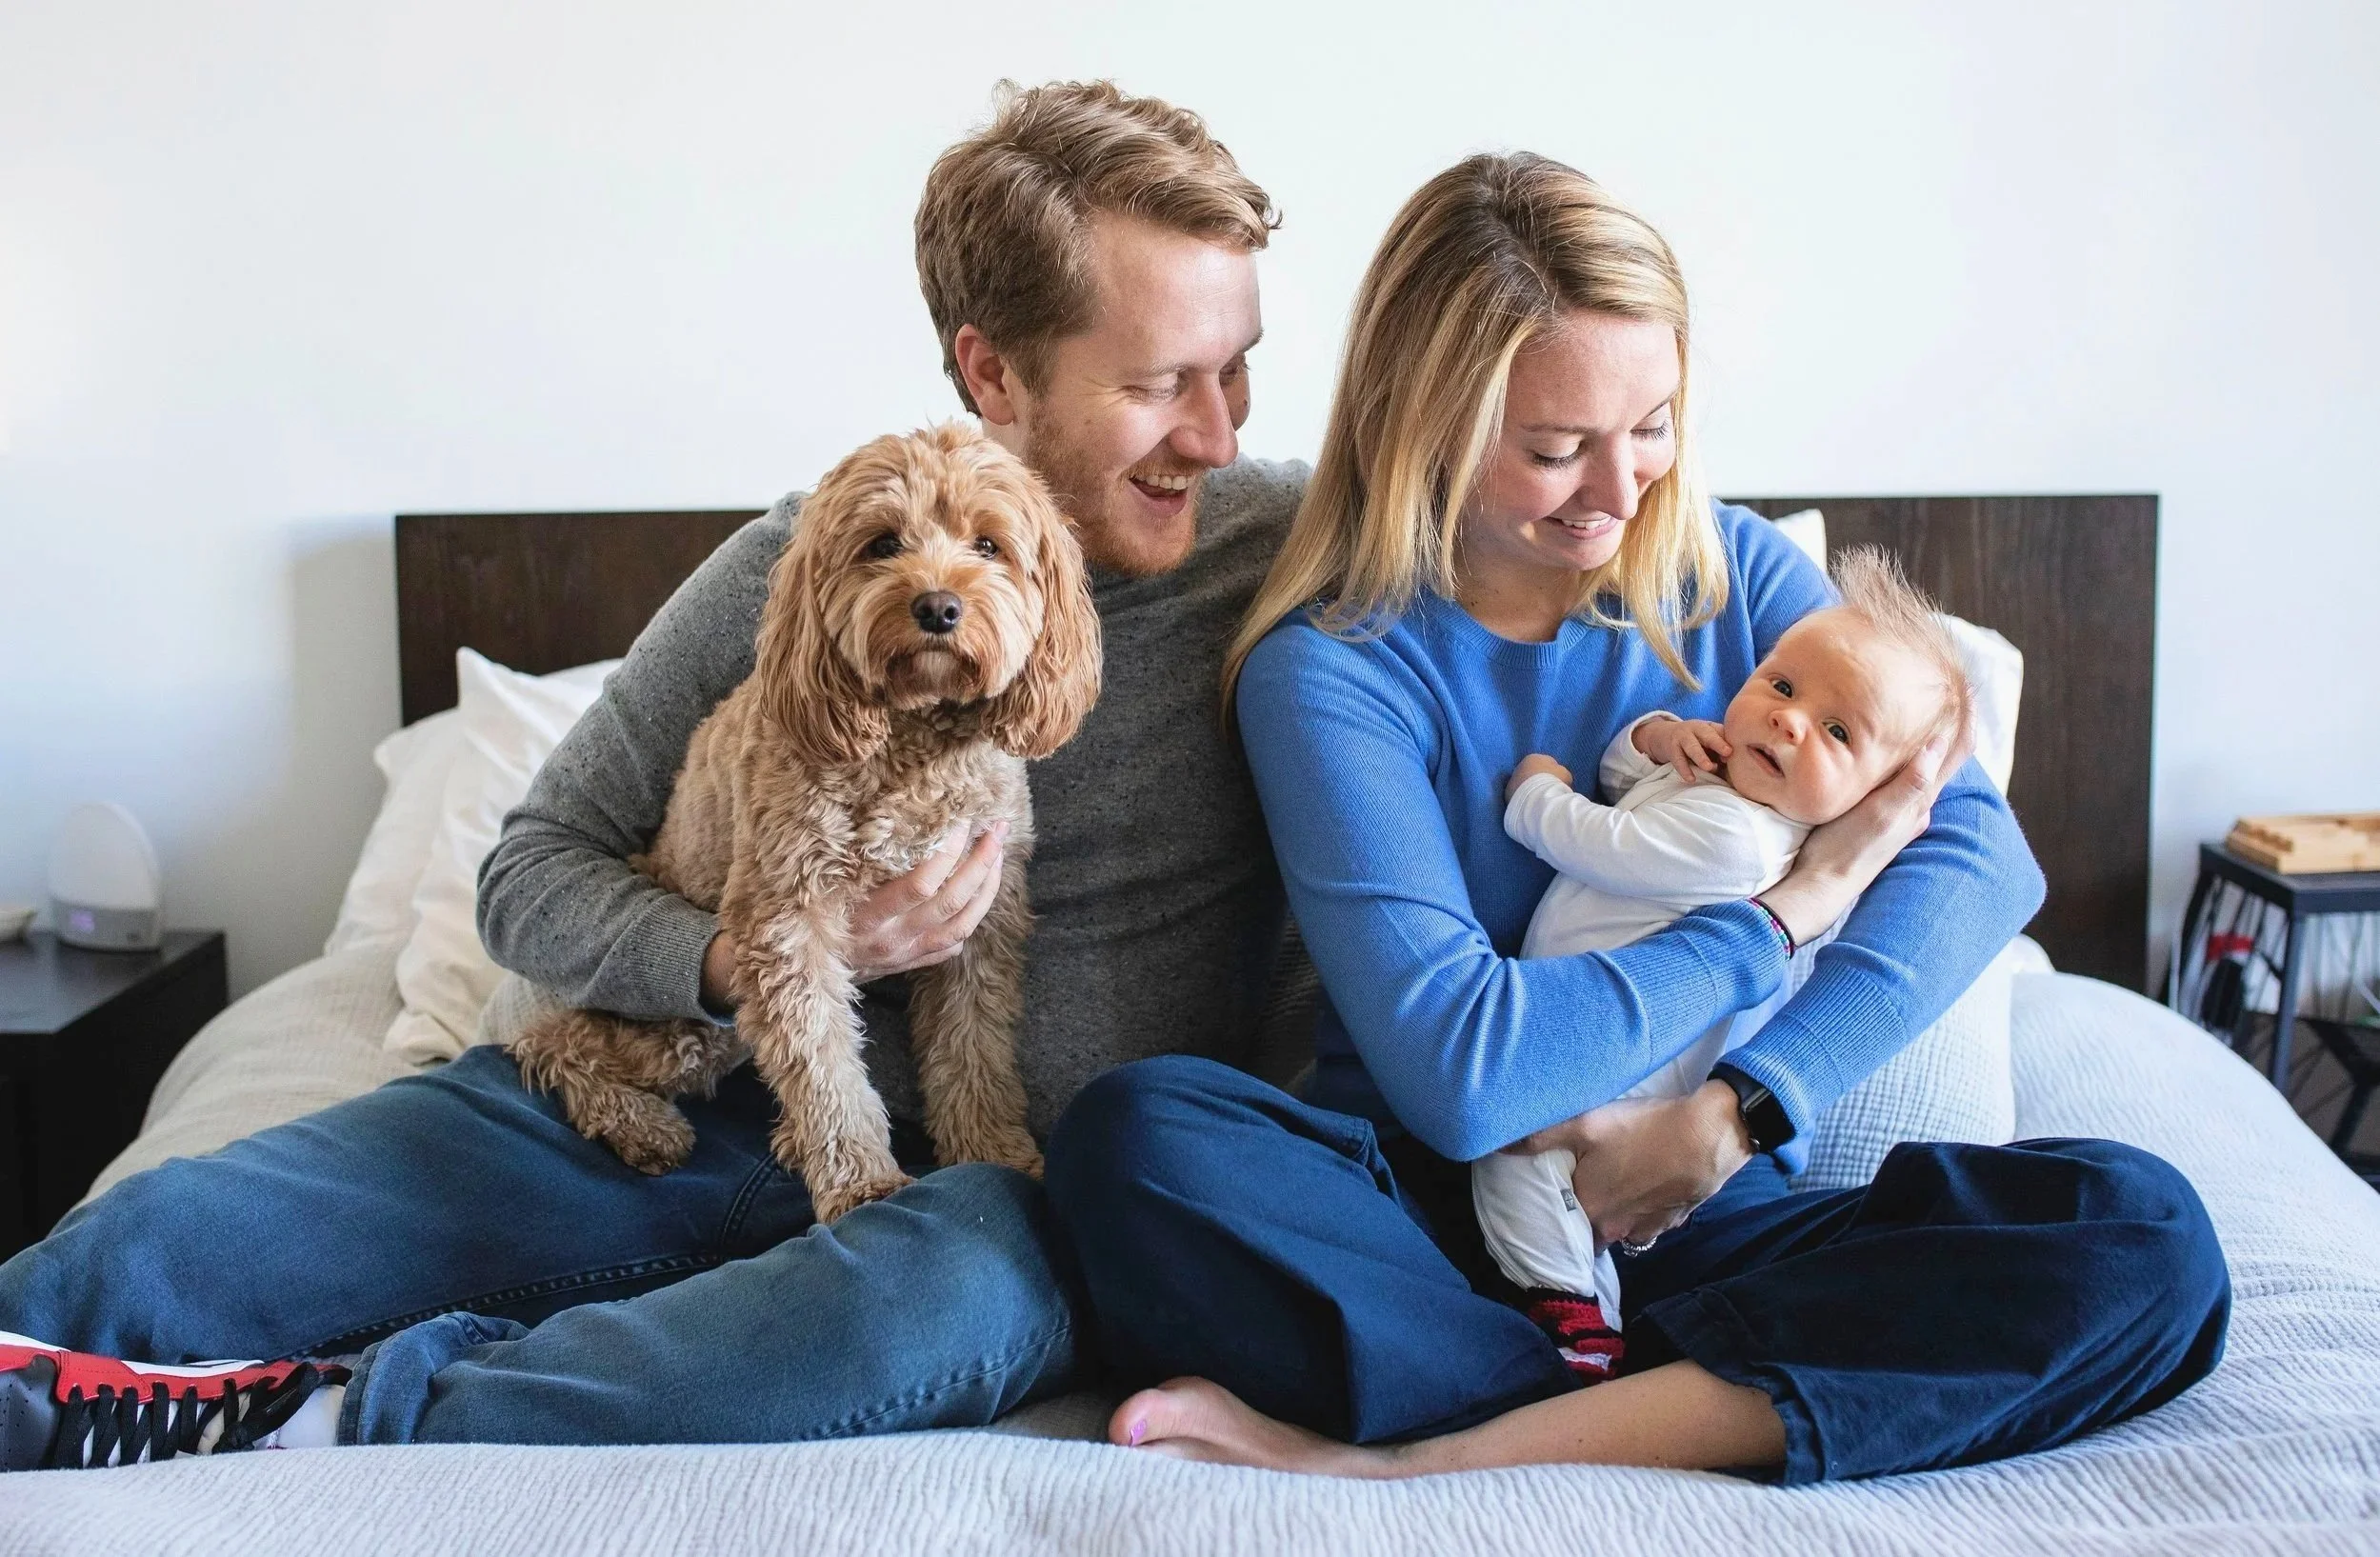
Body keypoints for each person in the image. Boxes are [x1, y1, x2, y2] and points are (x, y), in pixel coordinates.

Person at [0, 78, 1304, 1468]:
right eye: (1162, 383)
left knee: (945, 1305)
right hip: (675, 1096)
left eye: (1238, 369)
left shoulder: (1286, 550)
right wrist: (755, 960)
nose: (1216, 434)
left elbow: (1548, 528)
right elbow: (527, 874)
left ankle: (335, 1415)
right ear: (991, 374)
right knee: (136, 1251)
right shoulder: (798, 569)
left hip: (968, 1198)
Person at [1042, 151, 2230, 1483]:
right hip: (1429, 1217)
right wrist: (1788, 912)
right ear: (1425, 421)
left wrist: (1735, 1113)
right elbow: (1461, 1069)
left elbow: (1971, 851)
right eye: (1554, 449)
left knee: (2143, 1233)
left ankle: (1440, 1437)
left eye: (1652, 424)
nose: (1618, 492)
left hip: (1694, 1205)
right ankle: (1654, 1389)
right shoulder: (1334, 667)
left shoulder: (1724, 573)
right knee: (1133, 1139)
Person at [1472, 546, 1975, 1378]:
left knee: (1521, 1163)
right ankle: (1582, 1310)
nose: (1787, 719)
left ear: (1873, 803)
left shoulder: (1739, 838)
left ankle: (1573, 1324)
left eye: (1838, 732)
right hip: (1589, 1029)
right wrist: (1661, 736)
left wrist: (1533, 792)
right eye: (1780, 685)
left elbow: (1605, 837)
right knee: (1536, 1178)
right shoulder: (1728, 786)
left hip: (1616, 1064)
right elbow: (1624, 777)